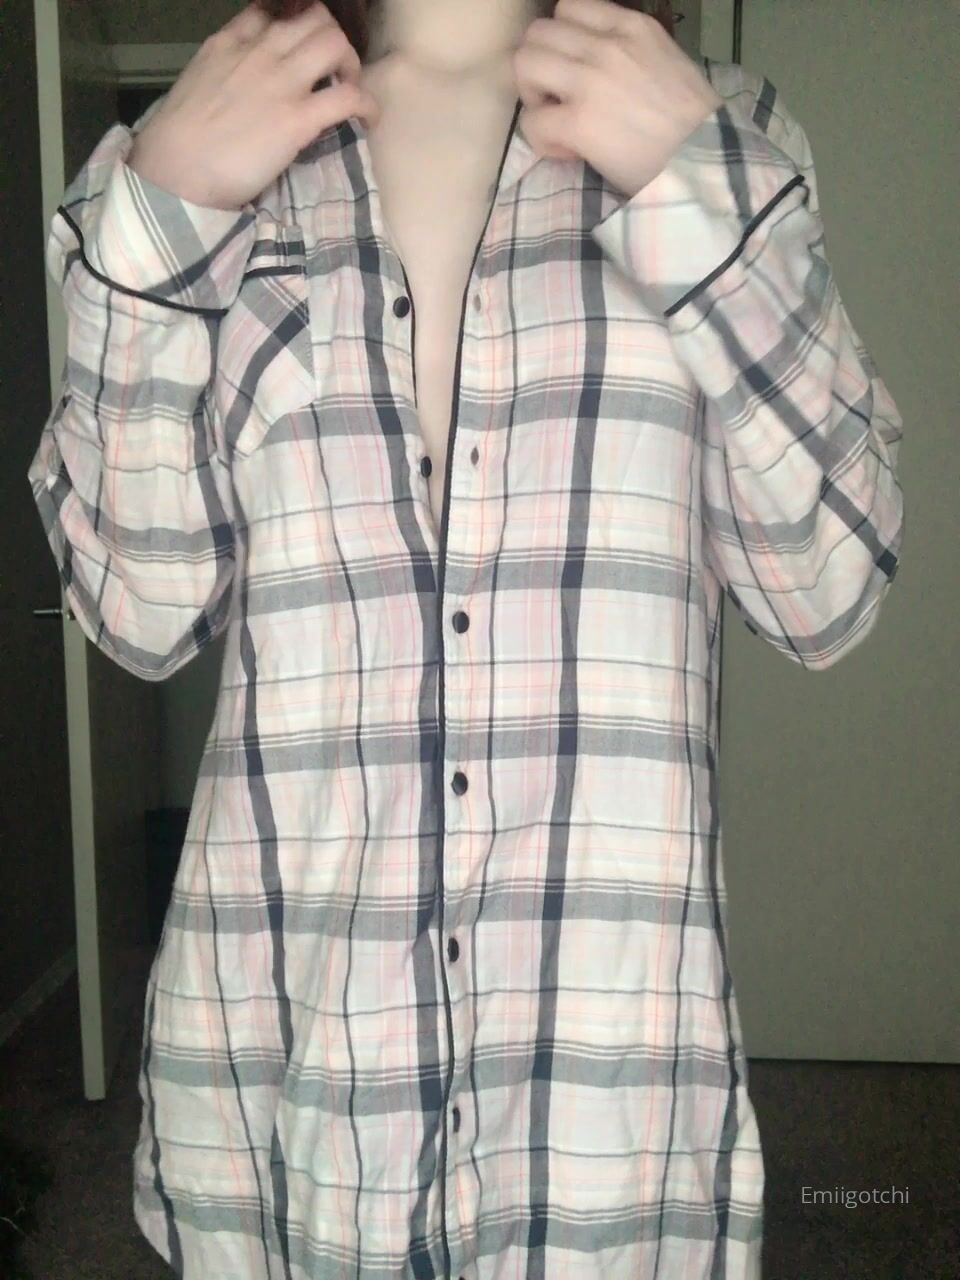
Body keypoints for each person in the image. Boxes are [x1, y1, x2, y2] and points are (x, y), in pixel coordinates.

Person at [27, 0, 905, 1275]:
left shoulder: (722, 129)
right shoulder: (215, 137)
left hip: (599, 1095)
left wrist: (701, 196)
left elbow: (826, 588)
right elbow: (138, 612)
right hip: (293, 1052)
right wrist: (161, 209)